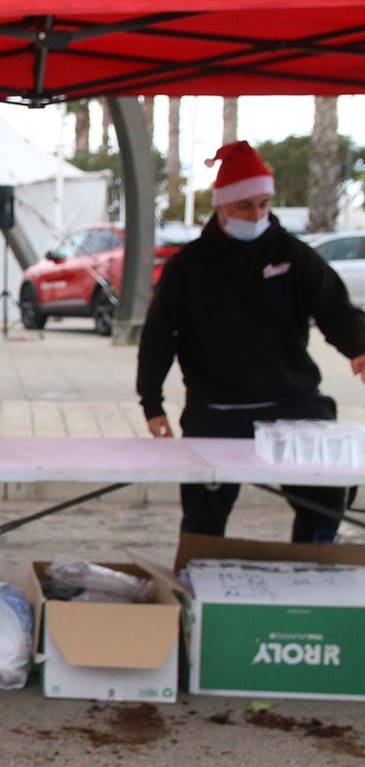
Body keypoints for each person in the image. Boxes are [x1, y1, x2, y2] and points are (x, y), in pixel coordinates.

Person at [138, 140, 365, 543]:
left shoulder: (294, 256)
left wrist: (360, 347)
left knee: (326, 500)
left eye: (263, 204)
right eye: (245, 206)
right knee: (204, 518)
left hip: (295, 406)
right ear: (222, 205)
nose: (257, 214)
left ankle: (315, 569)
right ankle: (200, 582)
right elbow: (158, 336)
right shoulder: (189, 266)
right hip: (216, 410)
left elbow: (335, 310)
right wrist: (151, 404)